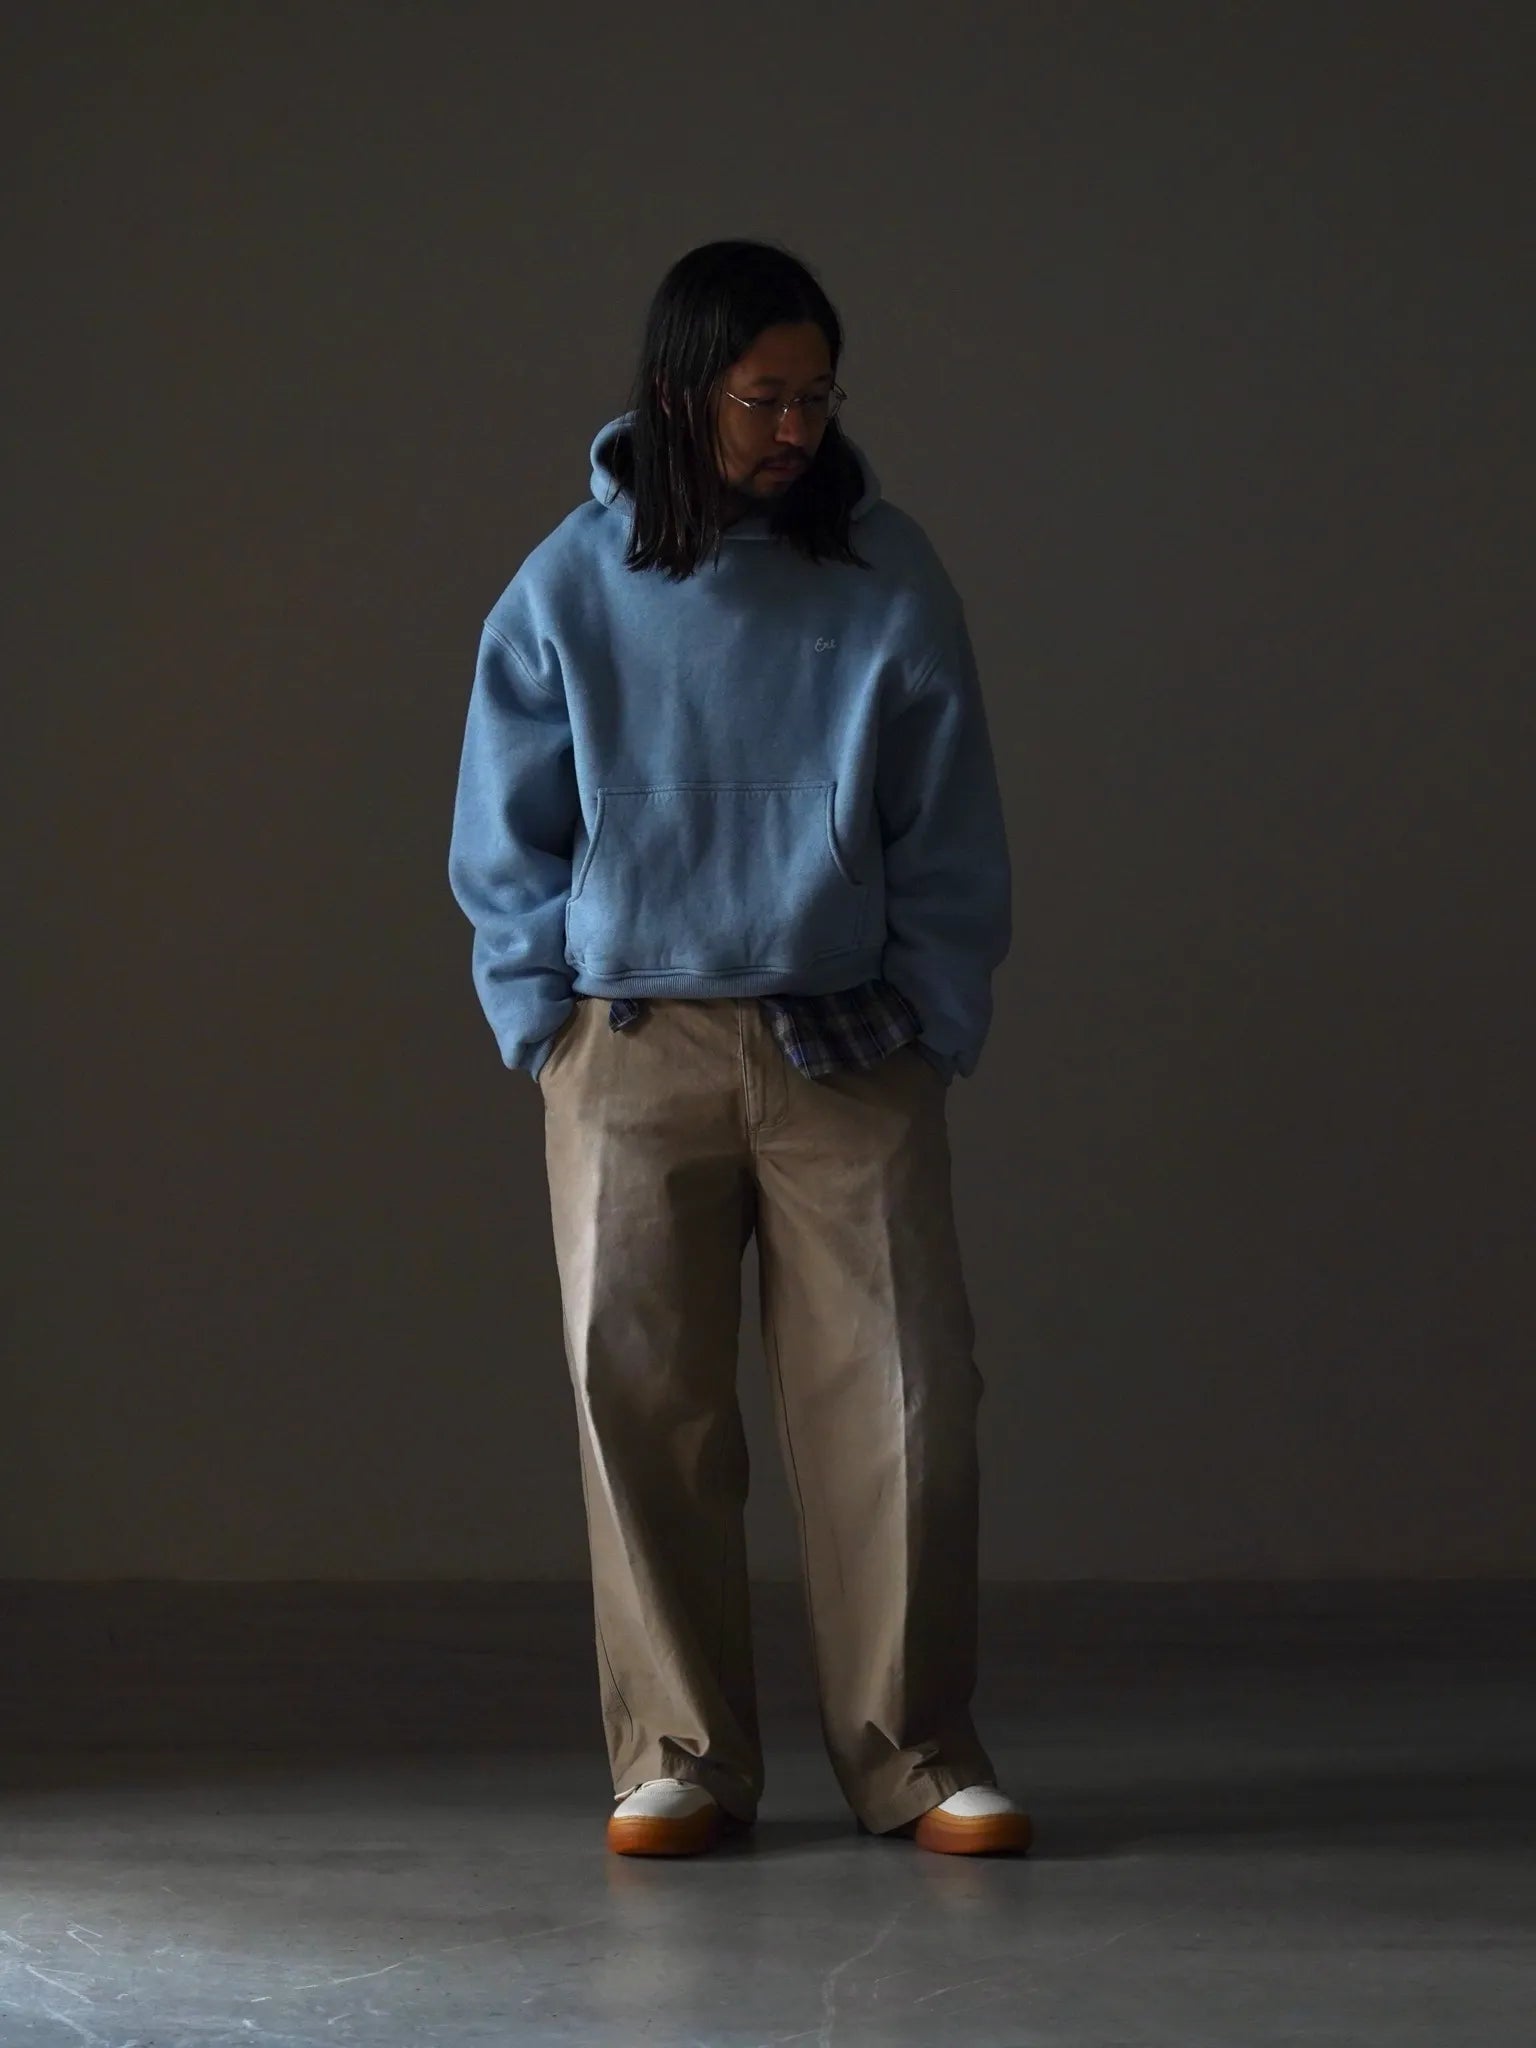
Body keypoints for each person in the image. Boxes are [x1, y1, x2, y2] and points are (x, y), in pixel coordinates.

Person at [448, 239, 1029, 1858]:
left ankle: (918, 1755)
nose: (795, 428)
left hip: (849, 1038)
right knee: (642, 1403)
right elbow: (505, 830)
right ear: (680, 392)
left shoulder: (887, 571)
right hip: (631, 1038)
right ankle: (679, 1757)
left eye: (817, 396)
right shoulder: (569, 582)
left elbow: (949, 817)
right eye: (764, 397)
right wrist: (543, 1020)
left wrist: (935, 1012)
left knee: (901, 1402)